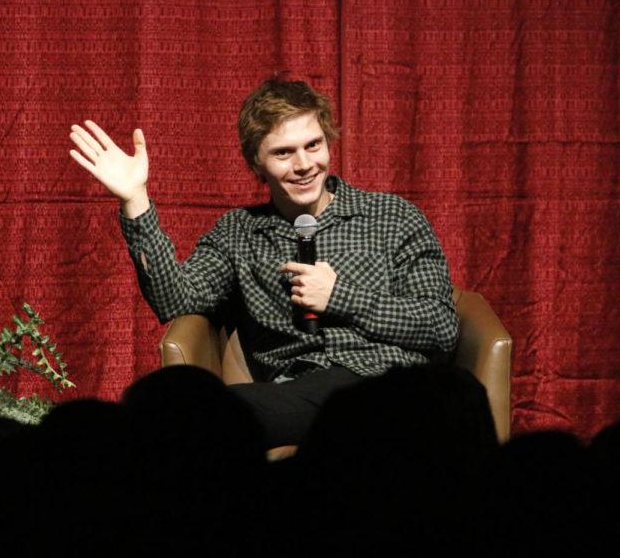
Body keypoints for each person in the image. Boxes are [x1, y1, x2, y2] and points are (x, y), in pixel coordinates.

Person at [68, 78, 459, 447]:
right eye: (283, 153)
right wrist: (136, 200)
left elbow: (441, 327)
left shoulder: (391, 217)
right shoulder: (241, 232)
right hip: (296, 389)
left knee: (194, 415)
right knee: (181, 411)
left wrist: (341, 296)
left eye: (313, 145)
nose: (304, 165)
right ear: (256, 162)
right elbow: (176, 300)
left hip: (387, 386)